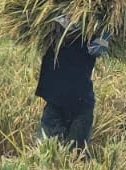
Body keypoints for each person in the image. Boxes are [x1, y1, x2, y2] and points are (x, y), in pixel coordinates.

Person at [36, 17, 110, 151]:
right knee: (47, 153)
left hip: (79, 106)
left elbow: (99, 45)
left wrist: (107, 27)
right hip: (57, 103)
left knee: (74, 155)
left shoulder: (90, 38)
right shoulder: (53, 35)